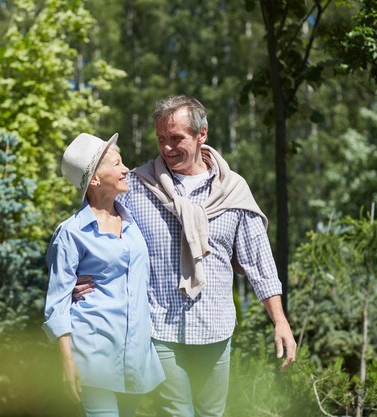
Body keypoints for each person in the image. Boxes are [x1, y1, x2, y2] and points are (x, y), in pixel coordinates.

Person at [74, 96, 297, 417]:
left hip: (215, 329)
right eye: (161, 138)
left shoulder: (232, 190)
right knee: (176, 413)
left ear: (201, 134)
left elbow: (259, 261)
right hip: (158, 329)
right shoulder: (137, 187)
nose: (166, 147)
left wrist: (280, 321)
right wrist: (78, 278)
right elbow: (91, 230)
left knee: (211, 413)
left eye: (176, 138)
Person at [42, 132, 165, 417]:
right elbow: (56, 302)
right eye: (117, 164)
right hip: (93, 354)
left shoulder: (133, 222)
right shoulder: (71, 233)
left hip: (135, 357)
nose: (126, 169)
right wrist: (67, 361)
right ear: (94, 179)